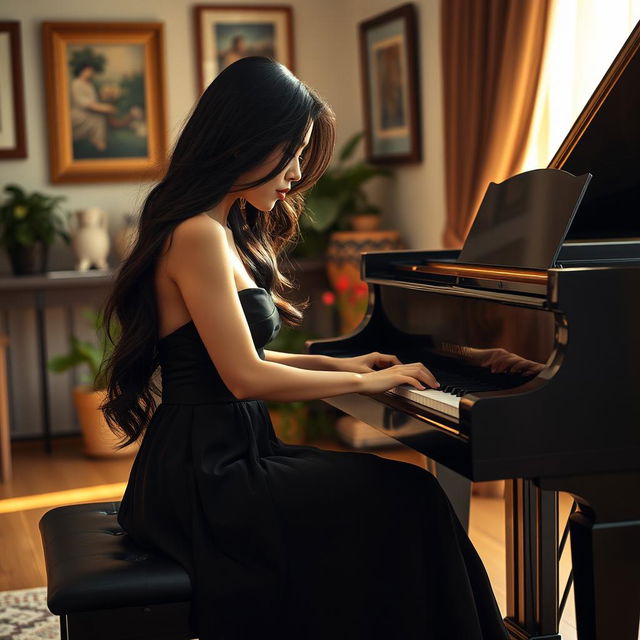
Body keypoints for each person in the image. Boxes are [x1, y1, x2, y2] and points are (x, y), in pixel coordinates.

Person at [100, 56, 508, 640]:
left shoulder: (217, 229)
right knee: (407, 496)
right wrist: (365, 382)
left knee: (401, 498)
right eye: (289, 152)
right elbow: (245, 377)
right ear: (245, 140)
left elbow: (239, 360)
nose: (295, 173)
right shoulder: (197, 234)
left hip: (227, 456)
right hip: (208, 479)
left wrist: (344, 363)